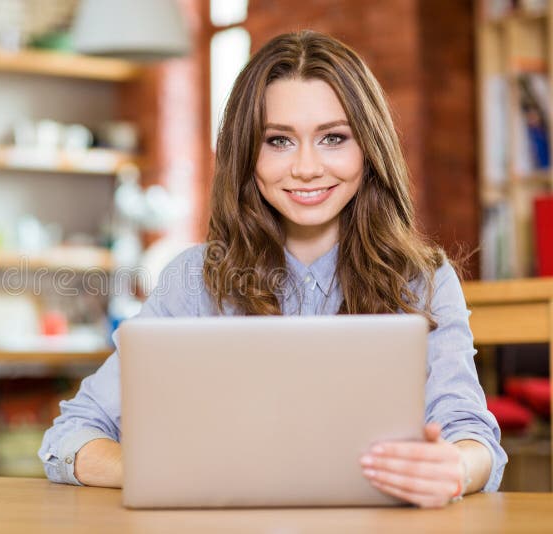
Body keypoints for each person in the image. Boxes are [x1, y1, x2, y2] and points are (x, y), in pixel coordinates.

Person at [39, 30, 506, 508]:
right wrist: (165, 474)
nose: (306, 167)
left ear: (368, 149)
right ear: (247, 154)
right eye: (279, 140)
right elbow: (71, 435)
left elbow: (471, 436)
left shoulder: (422, 278)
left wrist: (455, 466)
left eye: (333, 138)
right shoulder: (194, 279)